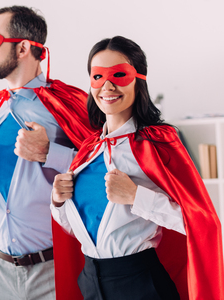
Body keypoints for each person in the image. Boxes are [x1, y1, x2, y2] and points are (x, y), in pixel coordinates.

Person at [51, 36, 224, 300]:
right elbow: (79, 227)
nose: (107, 86)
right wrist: (59, 202)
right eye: (98, 77)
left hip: (140, 283)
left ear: (138, 80)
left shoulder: (158, 143)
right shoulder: (88, 150)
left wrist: (136, 196)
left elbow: (199, 224)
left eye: (119, 75)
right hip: (90, 281)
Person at [0, 6, 94, 300]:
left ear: (23, 47)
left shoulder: (70, 105)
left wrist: (51, 153)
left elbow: (102, 175)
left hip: (54, 269)